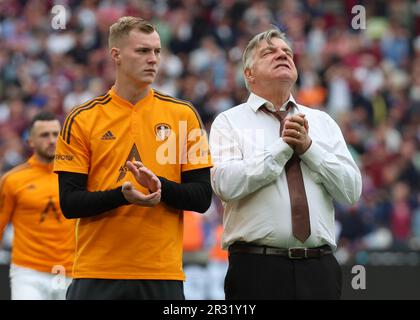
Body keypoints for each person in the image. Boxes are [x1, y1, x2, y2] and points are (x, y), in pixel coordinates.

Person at [53, 16, 212, 300]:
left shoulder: (184, 115)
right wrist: (121, 196)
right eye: (142, 51)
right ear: (116, 55)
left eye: (157, 51)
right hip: (96, 272)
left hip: (162, 273)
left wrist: (158, 187)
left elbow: (201, 197)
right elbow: (70, 202)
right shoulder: (82, 118)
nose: (153, 59)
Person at [209, 27, 362, 299]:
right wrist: (282, 149)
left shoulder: (323, 122)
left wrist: (309, 149)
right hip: (256, 269)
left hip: (320, 269)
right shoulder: (228, 121)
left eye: (287, 52)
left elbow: (351, 191)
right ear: (249, 74)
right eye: (269, 52)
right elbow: (225, 185)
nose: (282, 55)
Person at [0, 111, 74, 300]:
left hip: (69, 270)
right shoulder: (12, 180)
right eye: (44, 135)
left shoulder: (76, 177)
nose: (51, 140)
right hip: (28, 271)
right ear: (30, 141)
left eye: (55, 134)